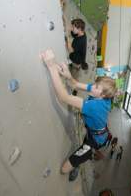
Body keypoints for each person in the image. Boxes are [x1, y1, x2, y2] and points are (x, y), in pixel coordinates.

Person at [40, 49, 117, 181]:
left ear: (103, 95)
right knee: (86, 139)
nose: (92, 87)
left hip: (95, 141)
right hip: (96, 131)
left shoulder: (94, 107)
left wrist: (51, 66)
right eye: (95, 84)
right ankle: (86, 155)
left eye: (96, 88)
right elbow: (75, 85)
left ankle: (82, 160)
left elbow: (63, 97)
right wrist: (67, 75)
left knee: (64, 169)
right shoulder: (102, 94)